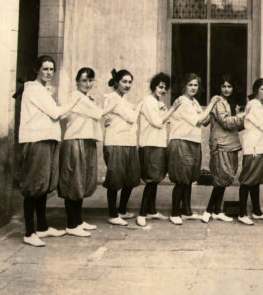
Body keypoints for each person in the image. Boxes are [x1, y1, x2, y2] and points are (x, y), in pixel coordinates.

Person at [18, 55, 81, 246]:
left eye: (51, 69)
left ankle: (42, 228)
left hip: (47, 140)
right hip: (37, 140)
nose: (49, 72)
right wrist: (76, 99)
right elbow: (55, 113)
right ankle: (29, 233)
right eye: (45, 69)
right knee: (33, 187)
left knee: (43, 186)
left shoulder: (42, 90)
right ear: (37, 69)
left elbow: (56, 113)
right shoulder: (34, 90)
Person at [59, 67, 115, 237]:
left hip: (87, 141)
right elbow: (97, 114)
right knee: (74, 181)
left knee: (82, 180)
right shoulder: (76, 97)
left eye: (90, 80)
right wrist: (113, 103)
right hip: (76, 141)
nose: (87, 84)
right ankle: (71, 223)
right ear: (77, 81)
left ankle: (78, 220)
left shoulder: (86, 98)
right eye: (84, 80)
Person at [167, 73, 219, 225]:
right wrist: (211, 104)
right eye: (190, 85)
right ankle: (175, 212)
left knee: (189, 179)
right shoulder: (182, 102)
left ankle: (186, 211)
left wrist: (215, 109)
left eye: (196, 85)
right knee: (181, 179)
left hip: (193, 142)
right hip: (181, 142)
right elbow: (198, 120)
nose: (193, 88)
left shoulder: (194, 102)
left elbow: (205, 121)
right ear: (184, 86)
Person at [136, 72, 181, 227]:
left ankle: (151, 210)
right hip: (149, 144)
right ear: (153, 86)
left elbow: (165, 121)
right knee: (151, 179)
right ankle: (141, 213)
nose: (162, 90)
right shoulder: (148, 101)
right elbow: (156, 122)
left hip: (160, 143)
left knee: (156, 179)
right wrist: (172, 109)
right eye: (160, 87)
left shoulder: (159, 102)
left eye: (164, 88)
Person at [201, 75, 246, 223]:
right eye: (224, 86)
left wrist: (243, 119)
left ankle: (217, 210)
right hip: (221, 144)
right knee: (221, 178)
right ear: (219, 88)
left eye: (229, 87)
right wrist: (243, 115)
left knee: (225, 177)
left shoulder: (226, 102)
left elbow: (234, 127)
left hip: (230, 143)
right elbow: (226, 123)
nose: (227, 89)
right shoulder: (218, 102)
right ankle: (208, 210)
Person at [237, 78, 263, 225]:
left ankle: (257, 212)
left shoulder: (262, 105)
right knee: (248, 180)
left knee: (255, 181)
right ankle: (242, 213)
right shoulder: (254, 105)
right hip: (254, 148)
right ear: (256, 90)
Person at [103, 69, 141, 226]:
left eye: (130, 82)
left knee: (130, 178)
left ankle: (122, 210)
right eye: (124, 81)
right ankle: (113, 214)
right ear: (117, 82)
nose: (127, 85)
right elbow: (132, 118)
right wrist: (140, 105)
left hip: (129, 142)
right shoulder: (112, 99)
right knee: (115, 179)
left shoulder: (123, 100)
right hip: (115, 142)